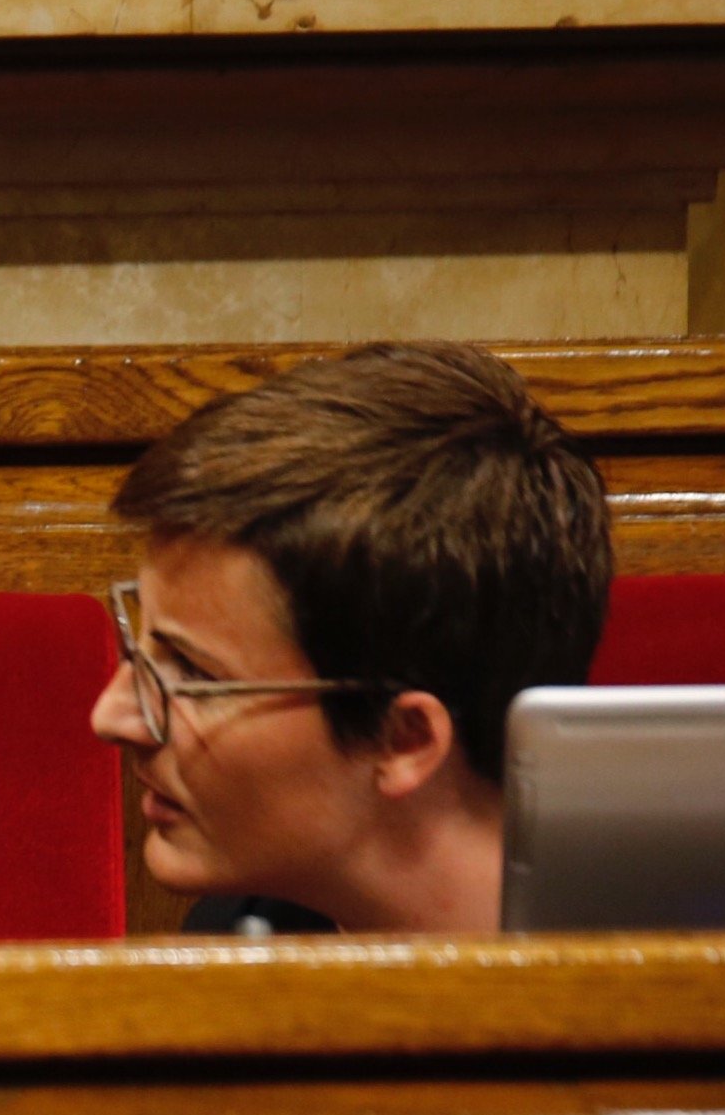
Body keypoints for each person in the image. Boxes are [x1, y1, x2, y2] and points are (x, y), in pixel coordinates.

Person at [86, 341, 610, 936]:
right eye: (143, 649)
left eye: (195, 673)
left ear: (403, 740)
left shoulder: (662, 1005)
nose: (112, 716)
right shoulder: (242, 935)